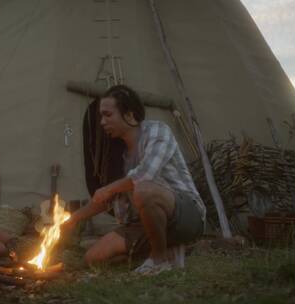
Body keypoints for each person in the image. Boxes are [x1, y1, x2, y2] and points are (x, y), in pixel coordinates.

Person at [63, 85, 206, 275]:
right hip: (143, 223)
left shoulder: (158, 132)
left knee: (144, 190)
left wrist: (109, 188)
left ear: (130, 116)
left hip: (184, 215)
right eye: (100, 117)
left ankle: (158, 260)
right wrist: (71, 220)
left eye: (107, 115)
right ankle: (171, 250)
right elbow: (105, 200)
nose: (102, 122)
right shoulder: (118, 155)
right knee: (93, 258)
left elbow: (144, 175)